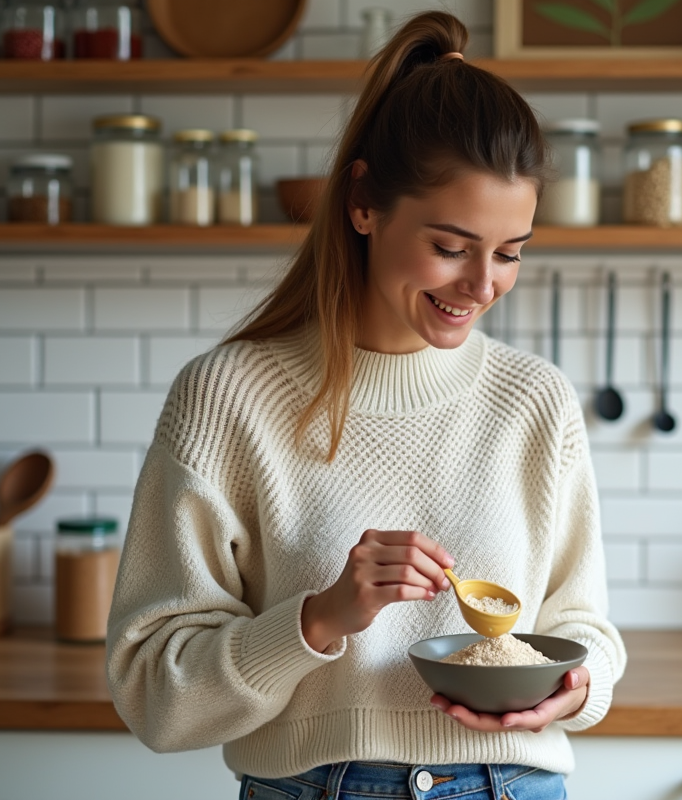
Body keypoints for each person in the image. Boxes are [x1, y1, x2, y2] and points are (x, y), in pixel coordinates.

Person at [106, 10, 626, 800]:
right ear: (363, 206)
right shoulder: (228, 397)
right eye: (450, 247)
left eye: (511, 253)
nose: (483, 286)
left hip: (511, 784)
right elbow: (153, 693)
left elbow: (584, 629)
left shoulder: (536, 402)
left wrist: (577, 687)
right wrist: (317, 619)